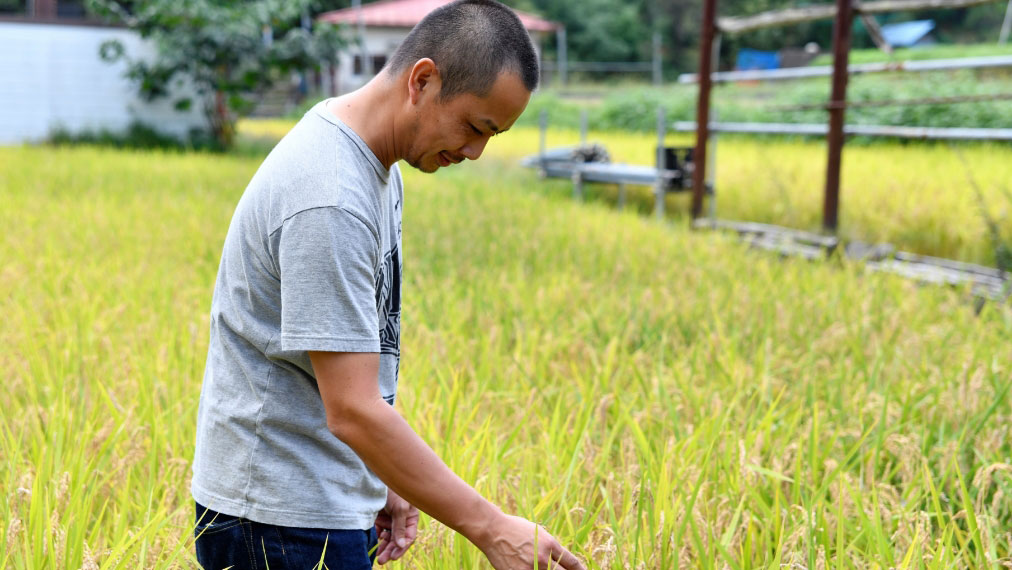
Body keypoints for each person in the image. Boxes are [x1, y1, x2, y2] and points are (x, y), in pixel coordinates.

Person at [190, 1, 586, 569]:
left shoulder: (376, 165)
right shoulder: (330, 194)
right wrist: (493, 528)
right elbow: (351, 409)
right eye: (476, 127)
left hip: (313, 508)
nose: (476, 152)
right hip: (279, 522)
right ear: (422, 81)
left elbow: (352, 373)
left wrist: (383, 477)